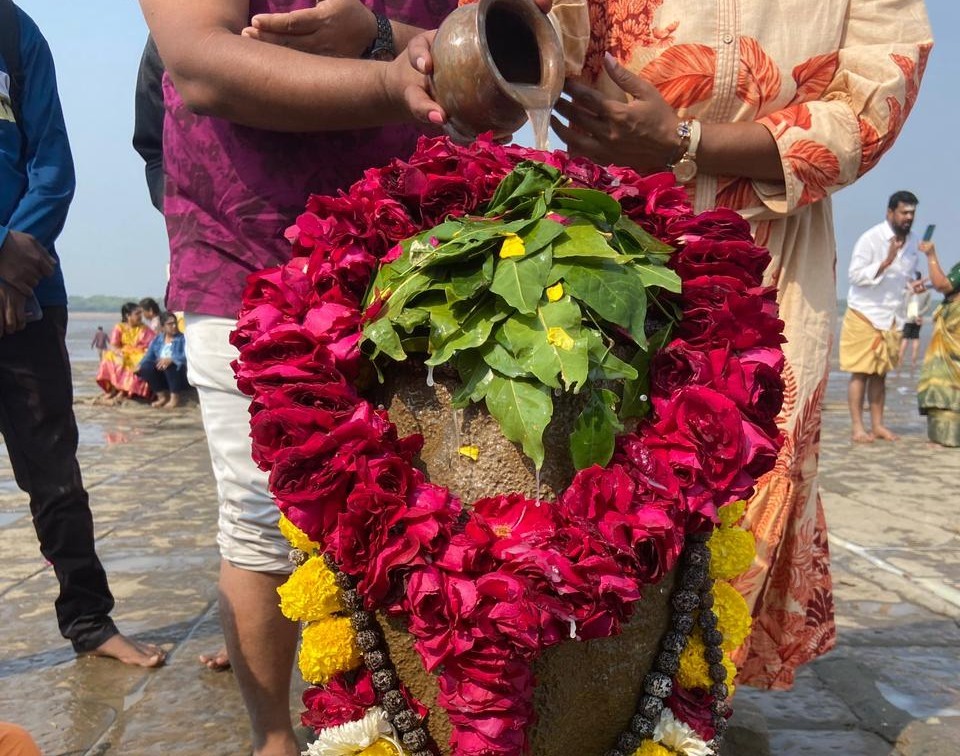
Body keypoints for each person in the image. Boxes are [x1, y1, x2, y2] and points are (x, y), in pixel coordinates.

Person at [536, 0, 932, 688]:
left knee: (746, 480)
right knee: (597, 474)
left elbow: (874, 103)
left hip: (774, 247)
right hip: (606, 227)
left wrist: (684, 142)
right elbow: (538, 33)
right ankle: (592, 700)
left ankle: (691, 699)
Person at [138, 2, 467, 753]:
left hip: (425, 247)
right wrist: (386, 81)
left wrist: (378, 37)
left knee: (428, 504)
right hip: (246, 248)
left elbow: (501, 56)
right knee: (263, 520)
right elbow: (199, 63)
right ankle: (275, 738)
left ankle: (426, 722)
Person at [0, 0, 164, 667]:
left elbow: (53, 164)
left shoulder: (14, 30)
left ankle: (90, 622)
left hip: (30, 289)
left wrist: (12, 266)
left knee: (56, 475)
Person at [841, 192, 922, 442]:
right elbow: (854, 276)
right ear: (890, 213)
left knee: (881, 374)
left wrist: (914, 286)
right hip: (864, 314)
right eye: (904, 212)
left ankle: (878, 425)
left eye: (912, 213)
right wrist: (885, 262)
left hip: (891, 318)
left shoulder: (914, 242)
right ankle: (857, 428)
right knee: (860, 372)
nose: (908, 217)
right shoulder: (871, 239)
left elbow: (904, 279)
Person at [917, 242, 960, 447]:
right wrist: (928, 284)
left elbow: (944, 285)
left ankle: (946, 438)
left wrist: (931, 255)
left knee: (945, 381)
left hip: (954, 336)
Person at [95, 302, 155, 405]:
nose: (140, 316)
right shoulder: (119, 327)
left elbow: (152, 344)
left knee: (138, 361)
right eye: (137, 314)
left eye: (140, 313)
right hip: (123, 352)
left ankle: (125, 391)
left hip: (139, 353)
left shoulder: (145, 329)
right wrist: (118, 352)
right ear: (128, 316)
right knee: (110, 356)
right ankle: (113, 390)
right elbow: (113, 345)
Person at [137, 311, 188, 408]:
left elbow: (188, 355)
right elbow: (149, 356)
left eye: (175, 323)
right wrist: (140, 365)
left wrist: (172, 359)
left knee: (169, 364)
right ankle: (162, 397)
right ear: (163, 326)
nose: (174, 326)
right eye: (170, 324)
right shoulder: (157, 340)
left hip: (179, 374)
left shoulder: (183, 339)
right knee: (146, 366)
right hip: (163, 376)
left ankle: (174, 398)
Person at [899, 271, 932, 368]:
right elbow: (928, 306)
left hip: (909, 317)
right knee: (915, 339)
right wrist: (919, 314)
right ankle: (913, 362)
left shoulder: (909, 290)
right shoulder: (926, 291)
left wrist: (908, 314)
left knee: (905, 339)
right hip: (919, 317)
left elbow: (905, 304)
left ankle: (900, 361)